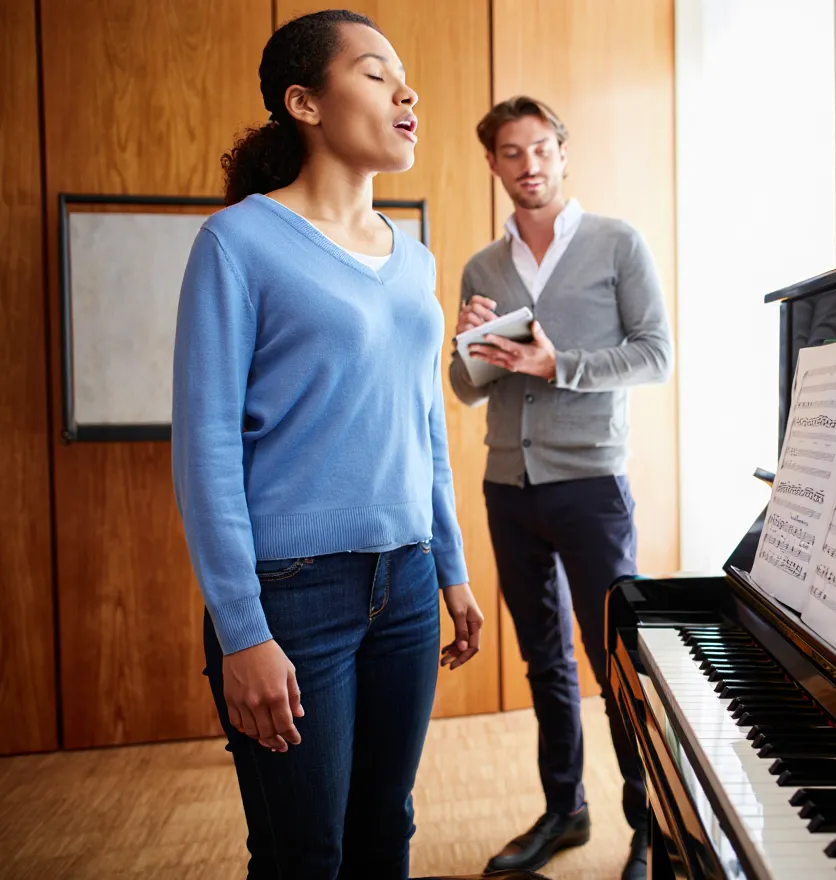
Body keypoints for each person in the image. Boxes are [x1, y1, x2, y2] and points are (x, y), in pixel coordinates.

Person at [171, 11, 484, 879]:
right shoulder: (237, 241)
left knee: (387, 828)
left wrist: (450, 567)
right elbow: (203, 448)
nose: (406, 91)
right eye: (377, 73)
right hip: (291, 596)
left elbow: (424, 425)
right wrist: (242, 631)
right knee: (305, 852)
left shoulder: (413, 260)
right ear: (304, 102)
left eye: (405, 76)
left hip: (409, 582)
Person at [449, 96, 673, 879]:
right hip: (508, 486)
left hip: (590, 486)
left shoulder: (617, 243)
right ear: (494, 164)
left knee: (617, 662)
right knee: (545, 661)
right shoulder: (483, 266)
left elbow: (656, 355)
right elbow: (466, 387)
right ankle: (563, 810)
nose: (529, 165)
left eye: (540, 149)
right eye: (511, 153)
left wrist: (559, 365)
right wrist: (472, 344)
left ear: (562, 152)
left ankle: (652, 826)